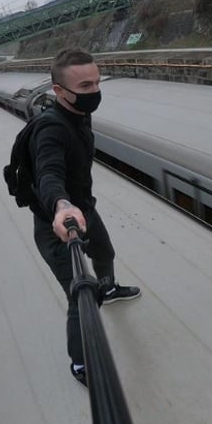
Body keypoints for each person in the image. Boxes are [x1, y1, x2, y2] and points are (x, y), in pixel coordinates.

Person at [29, 48, 141, 387]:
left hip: (85, 210)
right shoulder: (50, 130)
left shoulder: (78, 114)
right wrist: (62, 205)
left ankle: (108, 288)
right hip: (59, 225)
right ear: (59, 92)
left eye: (96, 83)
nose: (94, 92)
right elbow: (48, 172)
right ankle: (79, 363)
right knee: (81, 295)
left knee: (104, 253)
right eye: (84, 86)